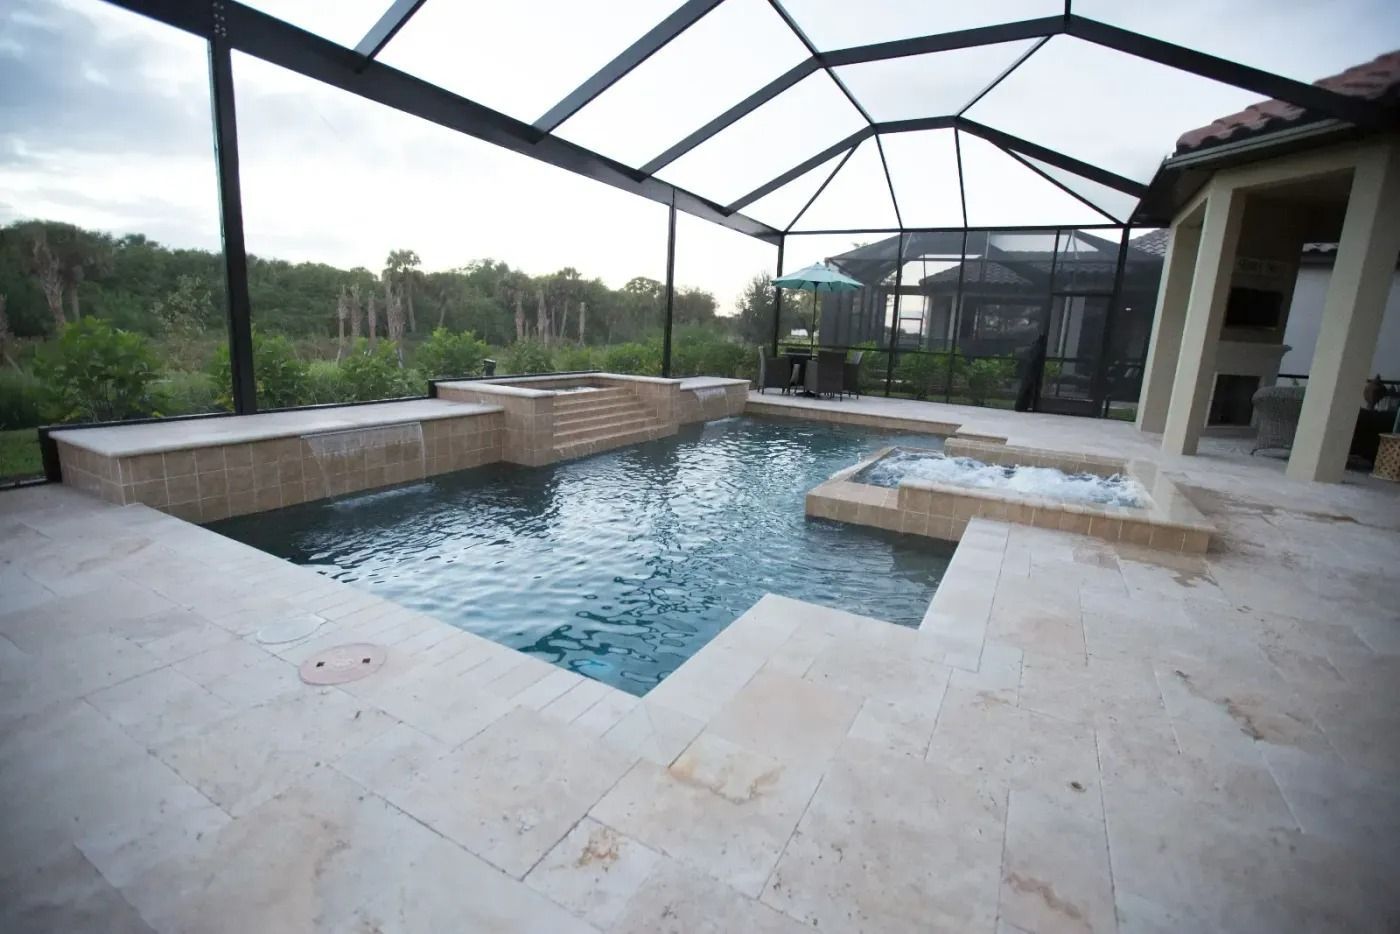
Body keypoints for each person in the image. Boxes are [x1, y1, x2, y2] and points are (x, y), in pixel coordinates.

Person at [1014, 332, 1048, 412]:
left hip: (1031, 370)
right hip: (1033, 370)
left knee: (1027, 388)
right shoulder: (1038, 347)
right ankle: (1023, 405)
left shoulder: (1035, 346)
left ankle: (1022, 406)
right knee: (1029, 388)